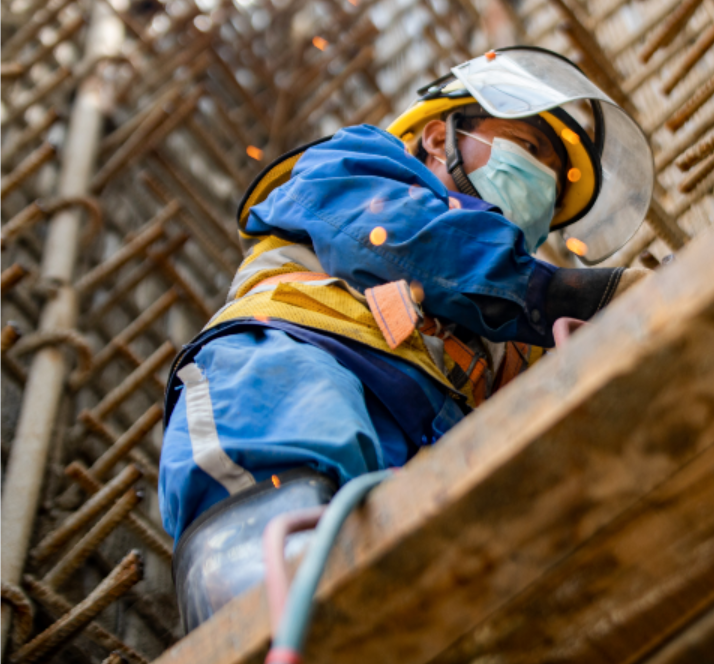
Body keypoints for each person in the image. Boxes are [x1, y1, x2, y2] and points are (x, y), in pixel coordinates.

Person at [158, 47, 655, 631]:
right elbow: (415, 242)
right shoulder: (356, 164)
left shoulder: (518, 336)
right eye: (529, 147)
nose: (543, 179)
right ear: (440, 138)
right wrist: (587, 297)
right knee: (283, 541)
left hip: (421, 449)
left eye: (555, 175)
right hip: (293, 366)